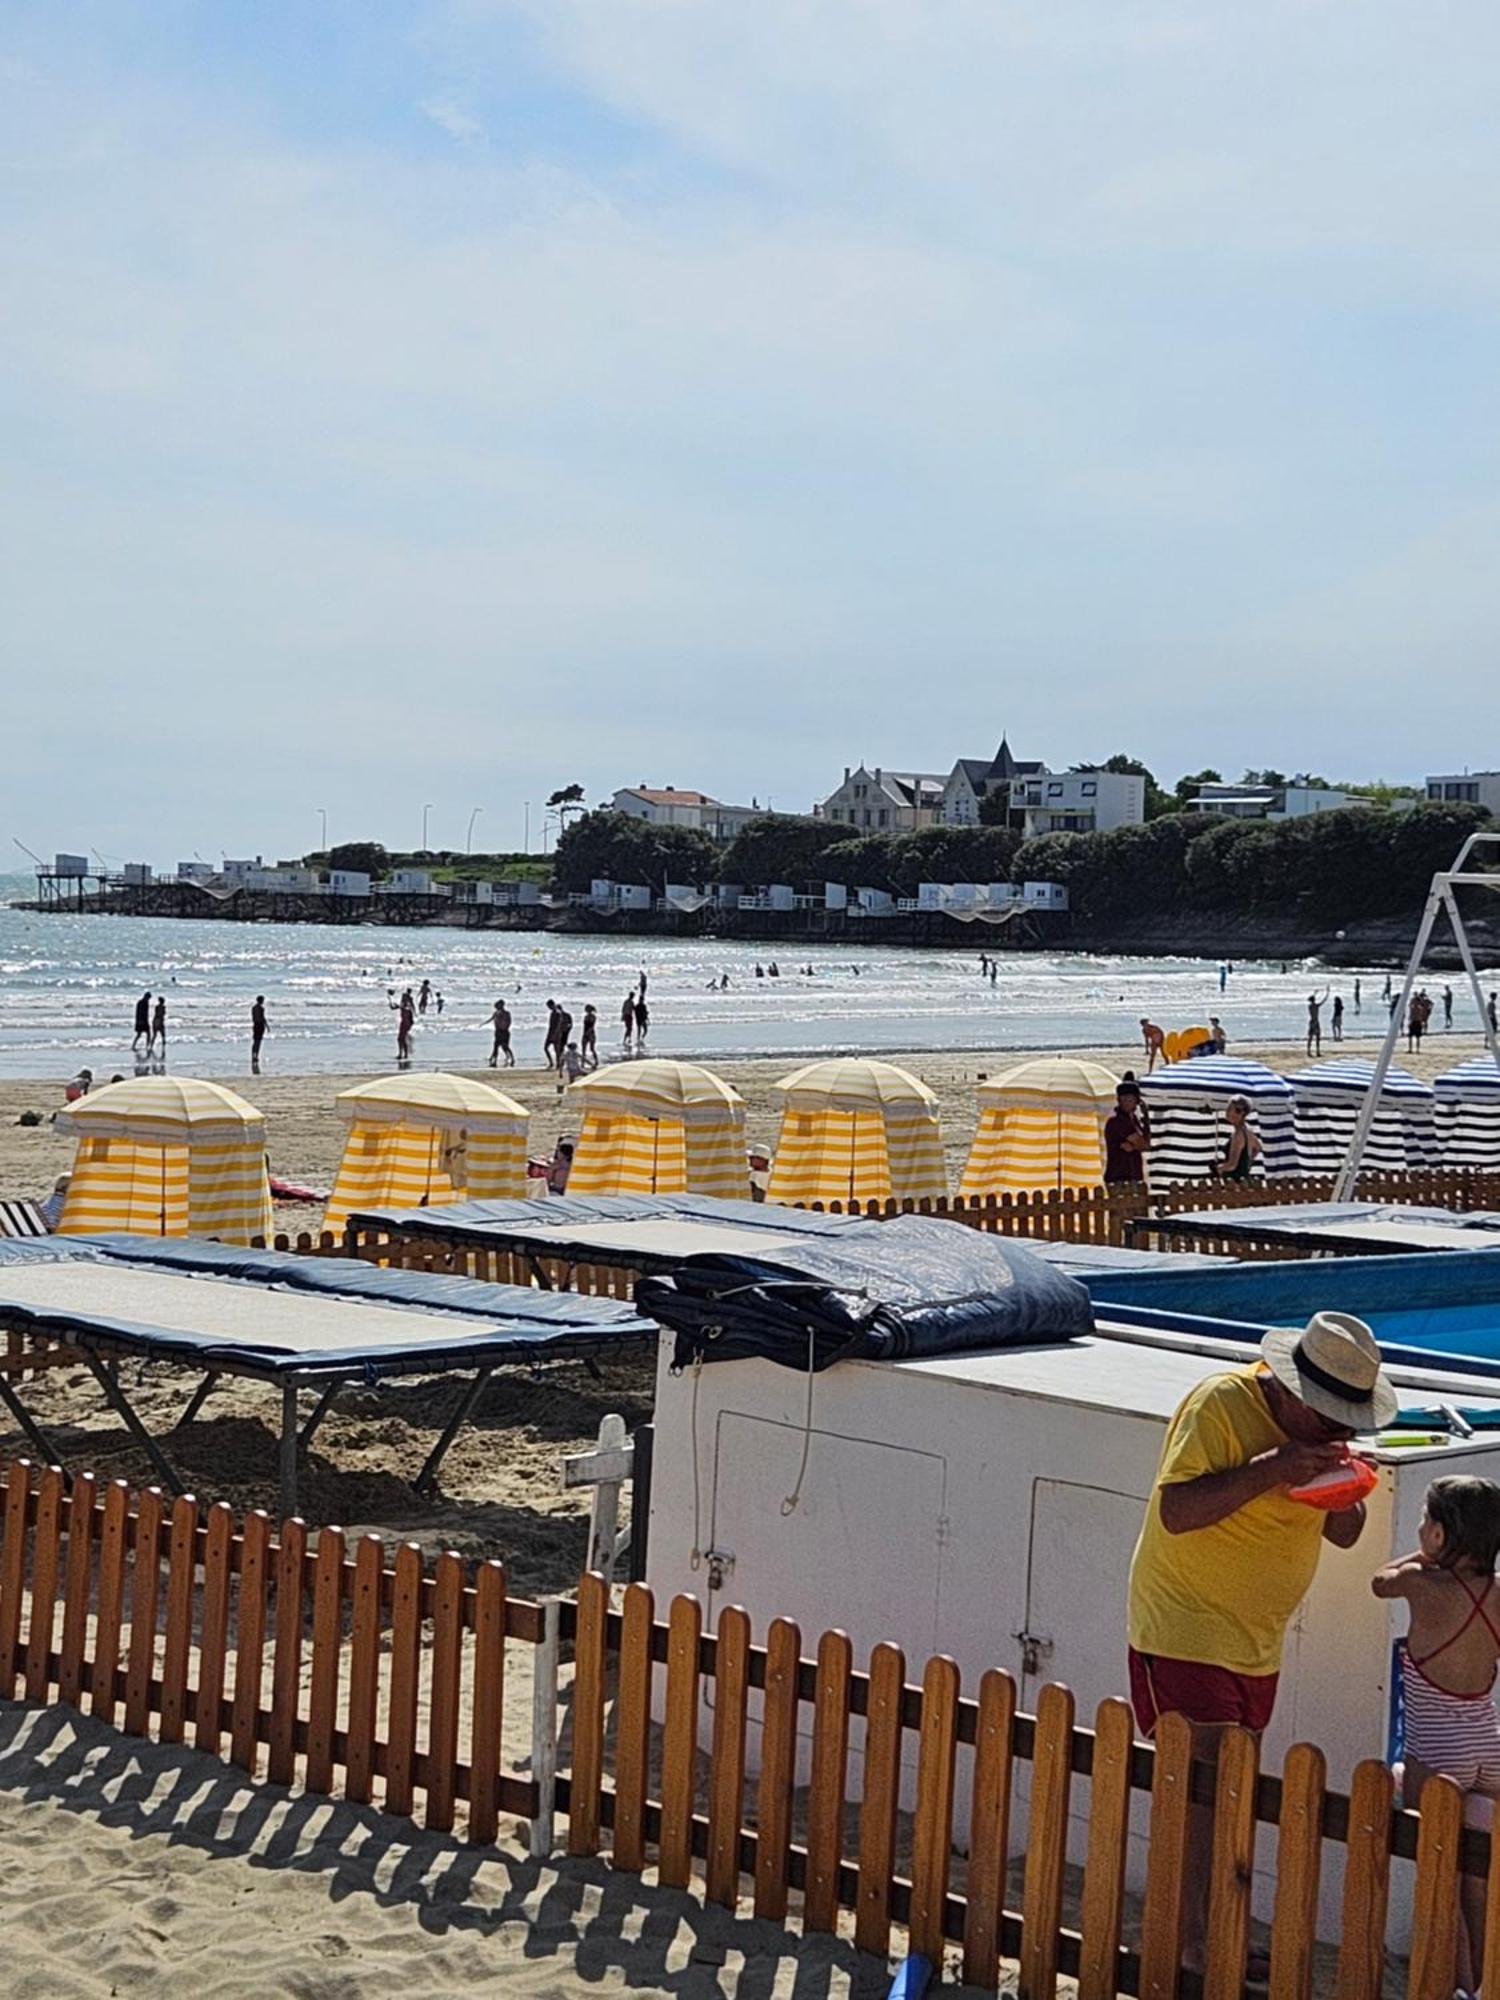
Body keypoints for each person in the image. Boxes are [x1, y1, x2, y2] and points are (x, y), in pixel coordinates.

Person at [1127, 1312, 1394, 1976]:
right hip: (1185, 1626)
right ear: (1294, 1392)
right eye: (1331, 1420)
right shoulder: (1223, 1402)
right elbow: (1177, 1510)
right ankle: (1190, 1949)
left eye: (1346, 1424)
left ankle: (1214, 1933)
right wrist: (1273, 1467)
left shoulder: (1318, 1442)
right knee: (1202, 1798)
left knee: (1230, 1795)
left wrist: (1342, 1487)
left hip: (1257, 1642)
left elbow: (1347, 1533)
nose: (1338, 1433)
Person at [1373, 1476, 1500, 1993]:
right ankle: (1489, 1982)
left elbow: (1380, 1580)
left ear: (1441, 1536)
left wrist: (1424, 1556)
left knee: (1443, 1881)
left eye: (1426, 1521)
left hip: (1439, 1752)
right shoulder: (1497, 1594)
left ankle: (1459, 1986)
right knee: (1481, 1877)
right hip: (1490, 1749)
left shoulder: (1421, 1585)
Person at [1104, 1077, 1150, 1184]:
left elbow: (1146, 1145)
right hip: (1118, 1178)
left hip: (1133, 1176)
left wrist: (1146, 1120)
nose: (1127, 1103)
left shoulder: (1134, 1120)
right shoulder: (1118, 1121)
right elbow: (1142, 1144)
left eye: (1130, 1100)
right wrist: (1137, 1145)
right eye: (1124, 1100)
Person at [1210, 1096, 1262, 1180]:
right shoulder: (1248, 1130)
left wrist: (1217, 1168)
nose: (1226, 1111)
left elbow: (1232, 1165)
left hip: (1235, 1182)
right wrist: (1247, 1164)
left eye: (1230, 1108)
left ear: (1240, 1113)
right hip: (1243, 1180)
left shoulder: (1238, 1135)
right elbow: (1257, 1148)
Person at [487, 1000, 513, 1068]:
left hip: (504, 1032)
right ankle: (494, 1060)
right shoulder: (496, 1013)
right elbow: (491, 1019)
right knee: (496, 1047)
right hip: (498, 1032)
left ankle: (511, 1058)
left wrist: (505, 1028)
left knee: (505, 1047)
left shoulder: (506, 1013)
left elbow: (509, 1022)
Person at [1306, 987, 1329, 1056]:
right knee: (1317, 1038)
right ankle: (1317, 1051)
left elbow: (1311, 999)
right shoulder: (1316, 1006)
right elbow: (1323, 1001)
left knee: (1311, 1038)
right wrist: (1327, 993)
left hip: (1312, 1022)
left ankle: (1309, 1051)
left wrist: (1315, 993)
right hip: (1315, 1022)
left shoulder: (1310, 1006)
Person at [250, 995, 267, 1074]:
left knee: (255, 1041)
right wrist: (267, 1026)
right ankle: (256, 1055)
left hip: (255, 1025)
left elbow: (253, 1017)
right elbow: (263, 1018)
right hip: (260, 1025)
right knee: (258, 1042)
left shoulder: (253, 1008)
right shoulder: (261, 1009)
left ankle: (253, 1055)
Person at [543, 999, 561, 1069]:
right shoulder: (552, 1013)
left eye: (549, 1006)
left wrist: (555, 1034)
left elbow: (558, 1025)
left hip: (556, 1033)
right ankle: (551, 1062)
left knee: (556, 1049)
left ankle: (558, 1063)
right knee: (545, 1048)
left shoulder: (557, 1013)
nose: (549, 1008)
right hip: (550, 1032)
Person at [149, 995, 166, 1060]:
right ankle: (163, 1047)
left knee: (155, 1035)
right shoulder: (163, 1007)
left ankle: (151, 1046)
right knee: (162, 1035)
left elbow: (157, 1014)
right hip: (160, 1021)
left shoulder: (157, 1007)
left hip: (156, 1021)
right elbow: (162, 1014)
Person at [581, 1003, 598, 1069]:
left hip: (590, 1034)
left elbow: (591, 1026)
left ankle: (596, 1061)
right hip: (585, 1033)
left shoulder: (593, 1017)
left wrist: (588, 1032)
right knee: (583, 1049)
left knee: (592, 1048)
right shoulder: (586, 1016)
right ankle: (582, 1063)